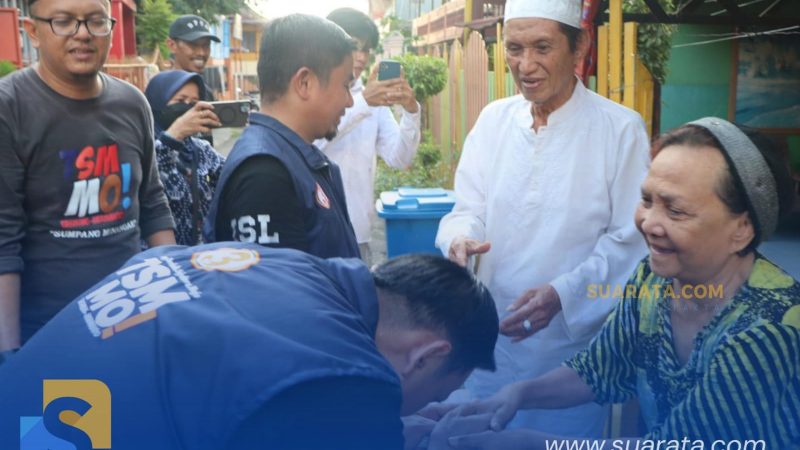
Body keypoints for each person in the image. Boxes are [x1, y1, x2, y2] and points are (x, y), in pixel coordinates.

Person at [434, 118, 800, 449]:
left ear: (742, 229)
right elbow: (601, 367)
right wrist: (516, 394)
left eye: (675, 211)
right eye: (646, 200)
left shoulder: (769, 330)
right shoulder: (653, 280)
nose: (648, 223)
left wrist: (531, 443)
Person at [0, 244, 499, 449]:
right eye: (436, 395)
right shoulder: (343, 377)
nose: (428, 407)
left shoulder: (296, 267)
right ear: (426, 354)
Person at [433, 0, 650, 436]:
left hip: (566, 355)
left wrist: (563, 294)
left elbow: (629, 243)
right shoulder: (494, 120)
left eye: (542, 47)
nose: (525, 65)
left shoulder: (620, 129)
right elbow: (468, 208)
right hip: (489, 339)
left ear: (579, 47)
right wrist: (460, 239)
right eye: (514, 48)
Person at [0, 0, 175, 353]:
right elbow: (3, 240)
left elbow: (153, 204)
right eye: (63, 22)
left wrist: (174, 305)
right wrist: (10, 356)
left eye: (95, 21)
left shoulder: (132, 103)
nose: (82, 34)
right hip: (48, 335)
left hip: (132, 320)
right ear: (33, 31)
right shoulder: (11, 107)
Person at [204, 14, 360, 259]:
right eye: (345, 86)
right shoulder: (264, 172)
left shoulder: (293, 156)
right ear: (305, 83)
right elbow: (276, 292)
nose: (349, 101)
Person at [318, 7, 421, 264]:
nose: (361, 56)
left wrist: (411, 111)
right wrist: (363, 102)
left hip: (360, 232)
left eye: (366, 49)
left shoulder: (372, 99)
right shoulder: (313, 91)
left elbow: (399, 158)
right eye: (353, 46)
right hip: (318, 230)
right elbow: (310, 142)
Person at [145, 70, 226, 246]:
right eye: (180, 101)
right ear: (157, 102)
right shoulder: (141, 147)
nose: (187, 109)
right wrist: (174, 135)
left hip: (201, 259)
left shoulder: (201, 150)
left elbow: (231, 177)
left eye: (194, 103)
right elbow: (150, 176)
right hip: (157, 259)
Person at [166, 14, 219, 101]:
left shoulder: (207, 93)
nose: (201, 53)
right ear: (172, 45)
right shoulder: (160, 90)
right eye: (193, 45)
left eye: (206, 45)